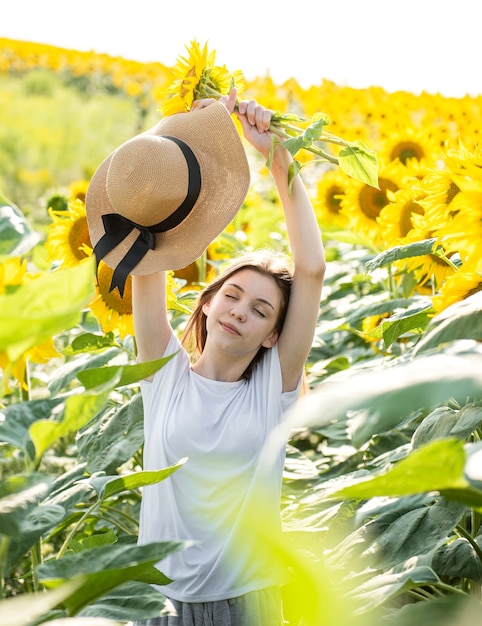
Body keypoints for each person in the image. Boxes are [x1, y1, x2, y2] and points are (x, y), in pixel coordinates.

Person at [86, 87, 325, 625]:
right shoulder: (163, 376)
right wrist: (182, 150)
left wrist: (276, 155)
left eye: (262, 311)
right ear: (209, 303)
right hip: (160, 605)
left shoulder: (273, 391)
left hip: (249, 600)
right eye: (233, 295)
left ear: (271, 336)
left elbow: (310, 269)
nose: (240, 310)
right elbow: (151, 245)